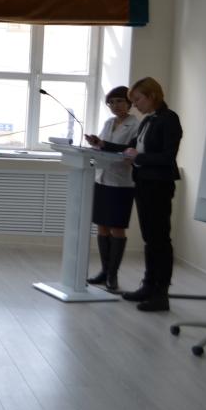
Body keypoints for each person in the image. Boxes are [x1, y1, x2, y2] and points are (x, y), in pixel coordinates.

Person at [87, 77, 182, 312]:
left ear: (152, 96)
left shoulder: (169, 119)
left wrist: (138, 157)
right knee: (150, 239)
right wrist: (103, 144)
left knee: (160, 240)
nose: (135, 105)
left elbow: (167, 157)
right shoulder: (149, 120)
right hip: (144, 183)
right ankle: (148, 285)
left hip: (159, 185)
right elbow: (129, 148)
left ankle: (161, 293)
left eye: (137, 99)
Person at [84, 87, 139, 291]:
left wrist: (103, 144)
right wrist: (95, 144)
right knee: (102, 226)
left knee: (117, 227)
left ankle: (113, 275)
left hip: (122, 182)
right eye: (111, 102)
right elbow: (101, 146)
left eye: (119, 101)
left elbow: (129, 151)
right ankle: (104, 271)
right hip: (102, 179)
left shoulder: (136, 125)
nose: (115, 106)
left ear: (129, 103)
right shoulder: (108, 122)